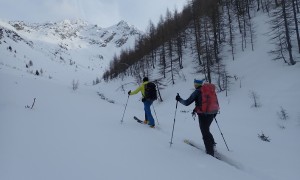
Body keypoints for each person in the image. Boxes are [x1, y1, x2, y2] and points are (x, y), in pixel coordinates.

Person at [176, 79, 216, 156]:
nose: (194, 85)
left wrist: (179, 99)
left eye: (194, 84)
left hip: (203, 114)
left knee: (205, 133)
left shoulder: (197, 92)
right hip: (213, 112)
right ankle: (212, 144)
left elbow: (187, 103)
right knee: (206, 129)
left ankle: (210, 153)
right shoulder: (208, 90)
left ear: (196, 84)